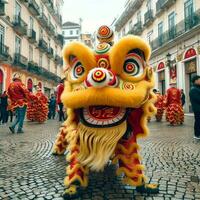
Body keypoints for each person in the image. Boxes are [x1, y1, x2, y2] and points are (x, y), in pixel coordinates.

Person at [189, 75, 200, 139]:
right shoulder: (193, 89)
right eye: (199, 80)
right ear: (195, 81)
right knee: (198, 121)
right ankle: (197, 135)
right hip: (198, 109)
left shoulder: (197, 88)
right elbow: (198, 99)